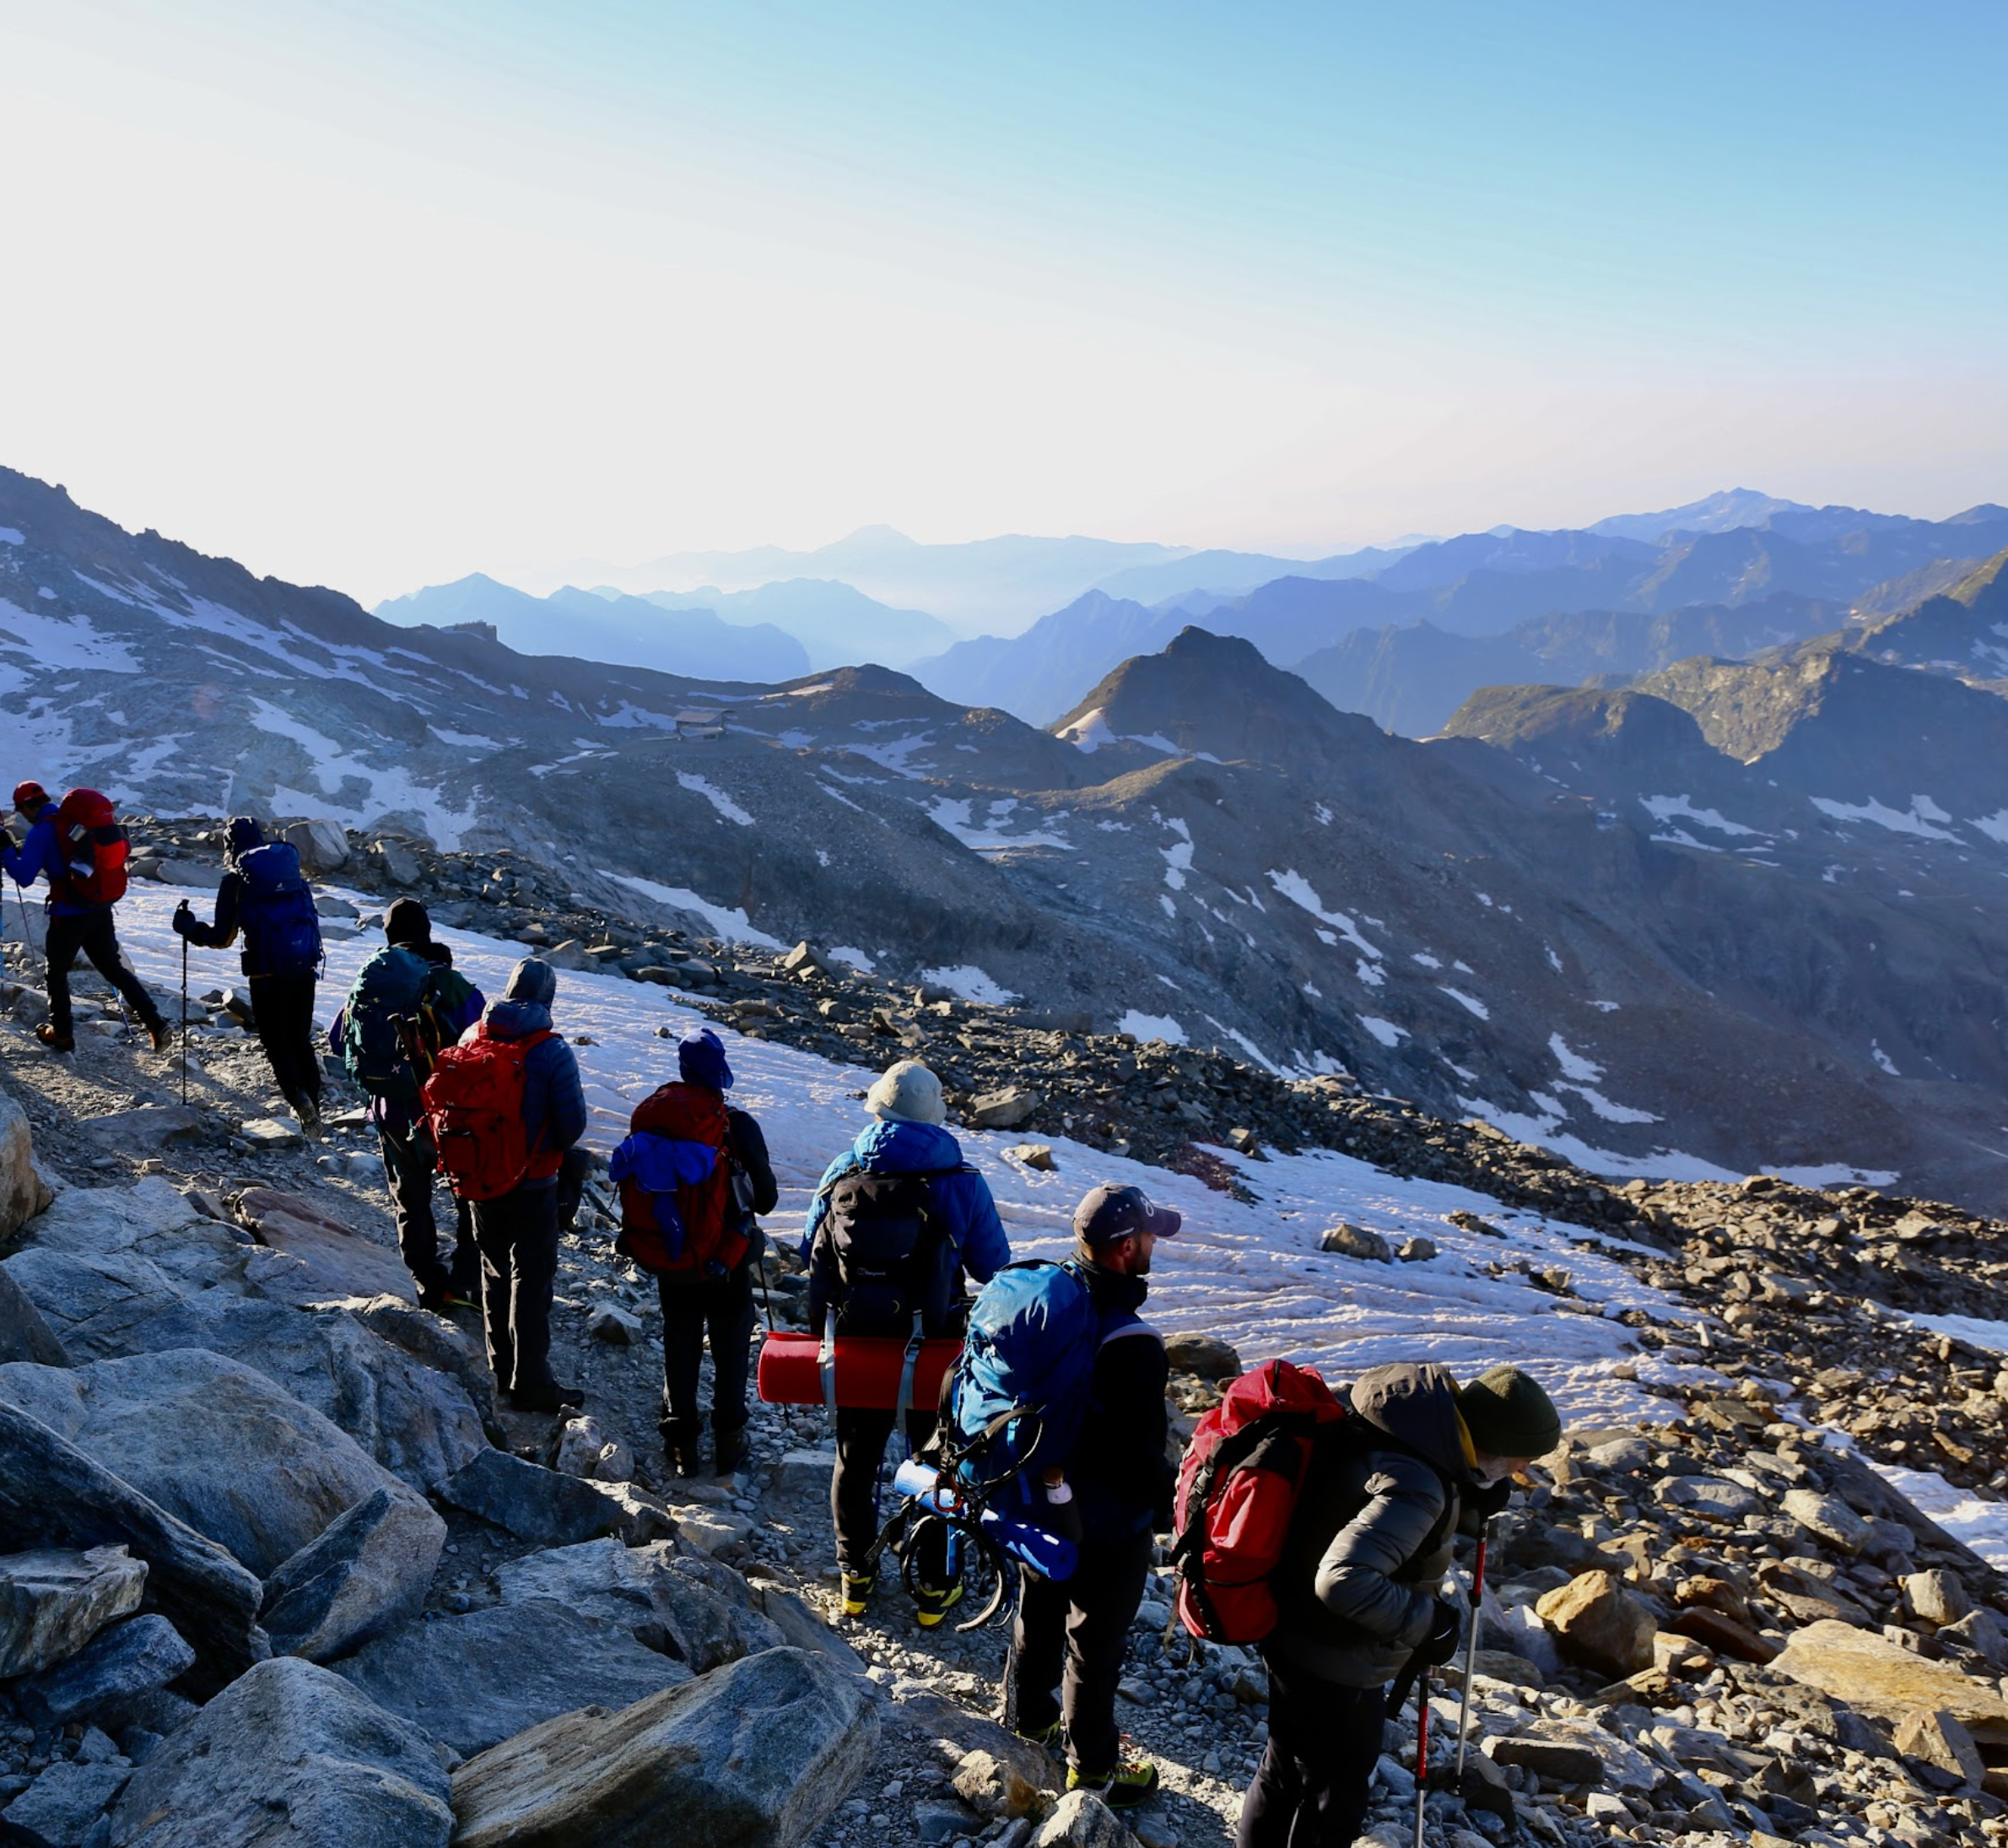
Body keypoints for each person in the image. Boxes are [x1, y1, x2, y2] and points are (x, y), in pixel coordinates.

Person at [1235, 1363, 1562, 1848]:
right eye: (1520, 1460)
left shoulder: (1409, 1427)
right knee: (1333, 1798)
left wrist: (1471, 1498)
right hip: (1336, 1657)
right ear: (1495, 1444)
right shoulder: (1419, 1485)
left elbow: (1389, 1502)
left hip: (1293, 1621)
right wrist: (1428, 1623)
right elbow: (1345, 1579)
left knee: (1284, 1768)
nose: (1523, 1471)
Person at [803, 1057, 1009, 1624]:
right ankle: (933, 1591)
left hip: (858, 1342)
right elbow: (994, 1265)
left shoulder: (845, 1169)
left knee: (856, 1457)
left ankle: (856, 1578)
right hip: (935, 1349)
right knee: (938, 1462)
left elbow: (809, 1252)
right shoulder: (961, 1181)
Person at [1010, 1182, 1180, 1809]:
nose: (1155, 1245)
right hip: (1105, 1519)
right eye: (1150, 1236)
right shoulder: (1133, 1342)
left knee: (1039, 1611)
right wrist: (1173, 1509)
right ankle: (1093, 1771)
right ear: (1127, 1247)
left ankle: (1028, 1724)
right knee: (1095, 1644)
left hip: (1034, 1493)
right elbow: (1139, 1456)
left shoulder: (1051, 1302)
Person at [332, 897, 483, 1311]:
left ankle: (429, 1284)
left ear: (389, 935)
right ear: (428, 932)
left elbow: (337, 1041)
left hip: (393, 1109)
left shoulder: (374, 980)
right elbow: (485, 1045)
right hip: (447, 1114)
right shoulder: (451, 984)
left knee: (410, 1199)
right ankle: (466, 1281)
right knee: (468, 1195)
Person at [648, 1028, 778, 1477]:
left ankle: (682, 1446)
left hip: (673, 1254)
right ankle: (729, 1443)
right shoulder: (736, 1124)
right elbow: (765, 1200)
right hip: (727, 1257)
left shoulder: (656, 1117)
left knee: (679, 1345)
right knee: (729, 1348)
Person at [462, 958, 589, 1413]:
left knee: (494, 1271)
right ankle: (530, 1382)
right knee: (531, 1282)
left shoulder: (474, 1034)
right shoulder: (551, 1049)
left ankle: (500, 1370)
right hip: (533, 1182)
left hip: (479, 1177)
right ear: (547, 998)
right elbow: (571, 1126)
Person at [170, 817, 324, 1126]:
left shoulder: (235, 882)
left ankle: (298, 1101)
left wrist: (189, 928)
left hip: (266, 973)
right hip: (304, 966)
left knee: (275, 1039)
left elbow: (222, 938)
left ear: (230, 846)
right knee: (298, 1037)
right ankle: (315, 1107)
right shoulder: (291, 873)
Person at [3, 782, 170, 1054]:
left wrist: (6, 851)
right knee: (114, 969)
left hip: (68, 913)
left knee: (56, 973)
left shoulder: (42, 831)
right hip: (99, 906)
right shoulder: (75, 825)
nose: (22, 816)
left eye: (20, 811)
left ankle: (62, 1035)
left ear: (26, 807)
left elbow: (24, 877)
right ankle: (155, 1022)